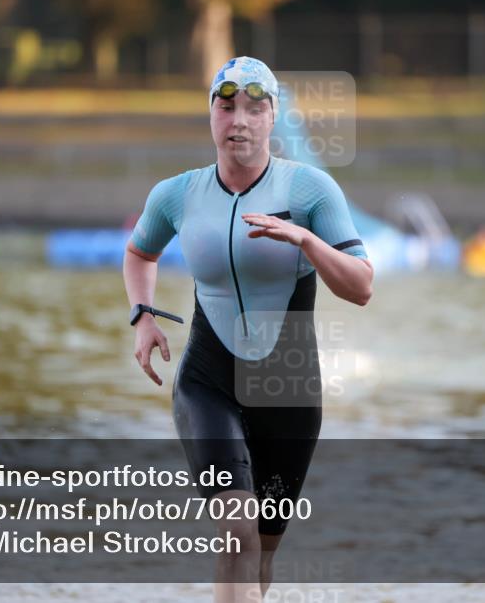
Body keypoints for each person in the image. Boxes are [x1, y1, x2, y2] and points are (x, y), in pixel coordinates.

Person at [122, 56, 373, 602]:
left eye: (254, 108)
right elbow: (139, 253)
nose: (238, 120)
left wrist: (305, 241)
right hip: (208, 383)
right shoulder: (177, 194)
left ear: (272, 117)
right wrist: (142, 316)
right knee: (237, 534)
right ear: (210, 114)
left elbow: (361, 286)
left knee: (261, 556)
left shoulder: (310, 191)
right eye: (226, 105)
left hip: (290, 393)